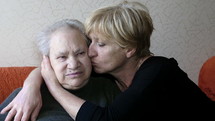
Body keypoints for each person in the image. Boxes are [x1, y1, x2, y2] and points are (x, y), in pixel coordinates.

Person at [1, 1, 213, 121]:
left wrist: (55, 88)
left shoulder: (158, 73)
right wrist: (29, 88)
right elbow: (62, 65)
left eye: (100, 45)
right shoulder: (104, 72)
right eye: (90, 42)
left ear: (129, 48)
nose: (89, 52)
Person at [0, 19, 120, 121]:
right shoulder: (26, 96)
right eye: (62, 57)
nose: (73, 65)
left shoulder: (108, 89)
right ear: (47, 61)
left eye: (80, 53)